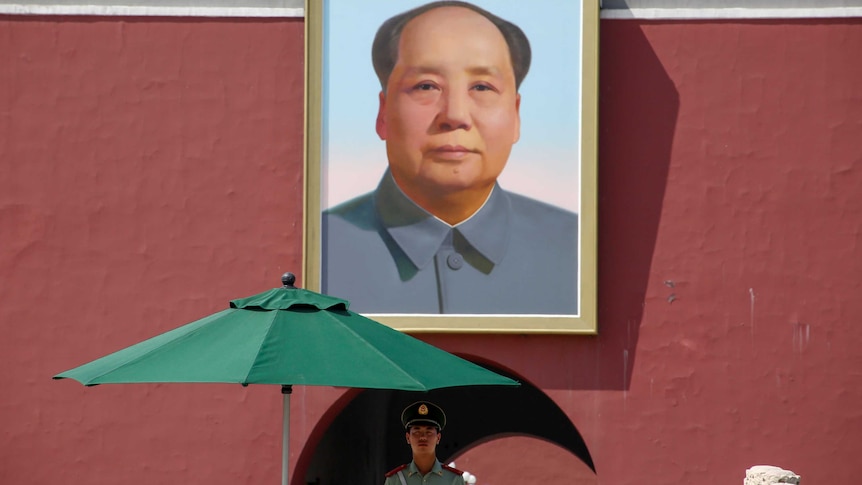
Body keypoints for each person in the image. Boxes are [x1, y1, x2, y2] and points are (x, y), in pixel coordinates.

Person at [322, 1, 578, 315]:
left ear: (516, 115)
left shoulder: (576, 250)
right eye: (426, 86)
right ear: (383, 113)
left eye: (482, 87)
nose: (455, 115)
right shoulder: (319, 250)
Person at [384, 401, 465, 485]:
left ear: (438, 438)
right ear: (408, 438)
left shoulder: (453, 479)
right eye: (416, 432)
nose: (423, 437)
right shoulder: (396, 479)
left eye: (429, 432)